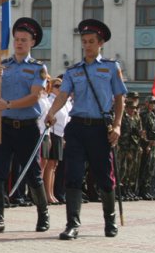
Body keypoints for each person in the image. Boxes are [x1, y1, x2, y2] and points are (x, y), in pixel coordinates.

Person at [45, 19, 127, 240]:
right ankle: (72, 224)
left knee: (104, 177)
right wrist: (51, 112)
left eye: (91, 41)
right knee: (73, 175)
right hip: (77, 128)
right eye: (84, 41)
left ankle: (109, 222)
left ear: (100, 43)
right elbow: (63, 95)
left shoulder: (111, 68)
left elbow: (120, 99)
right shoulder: (73, 71)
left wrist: (117, 125)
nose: (87, 45)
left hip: (101, 129)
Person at [0, 17, 50, 234]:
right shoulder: (4, 65)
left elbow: (35, 96)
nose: (19, 43)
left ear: (32, 42)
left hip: (28, 128)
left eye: (24, 40)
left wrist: (9, 103)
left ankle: (43, 214)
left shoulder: (38, 68)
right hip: (5, 127)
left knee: (33, 174)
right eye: (17, 39)